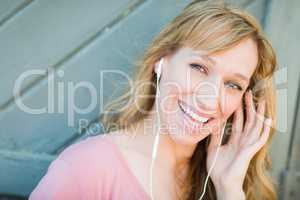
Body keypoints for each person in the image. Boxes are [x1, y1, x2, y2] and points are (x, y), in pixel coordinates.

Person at [29, 1, 277, 200]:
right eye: (199, 67)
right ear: (162, 60)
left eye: (233, 84)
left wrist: (229, 189)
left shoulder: (228, 181)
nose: (209, 99)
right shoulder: (86, 168)